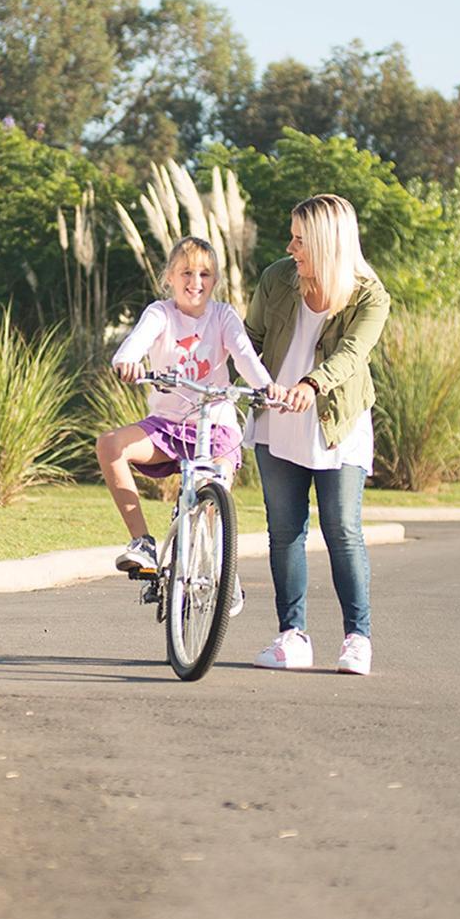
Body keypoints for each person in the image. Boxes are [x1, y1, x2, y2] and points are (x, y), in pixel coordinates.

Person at [244, 194, 390, 676]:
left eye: (300, 240)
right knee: (285, 531)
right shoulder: (277, 279)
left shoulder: (370, 296)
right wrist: (227, 380)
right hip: (278, 419)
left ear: (328, 243)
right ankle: (292, 636)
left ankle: (357, 639)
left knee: (342, 529)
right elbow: (249, 339)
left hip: (336, 423)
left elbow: (351, 354)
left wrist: (311, 384)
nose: (290, 248)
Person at [97, 237, 282, 606]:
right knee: (110, 444)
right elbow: (135, 343)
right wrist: (127, 362)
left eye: (204, 274)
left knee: (214, 489)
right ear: (169, 276)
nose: (195, 282)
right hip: (167, 425)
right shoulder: (160, 314)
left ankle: (220, 568)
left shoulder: (224, 316)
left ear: (215, 281)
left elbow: (245, 355)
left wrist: (266, 386)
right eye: (186, 273)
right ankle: (143, 542)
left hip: (216, 426)